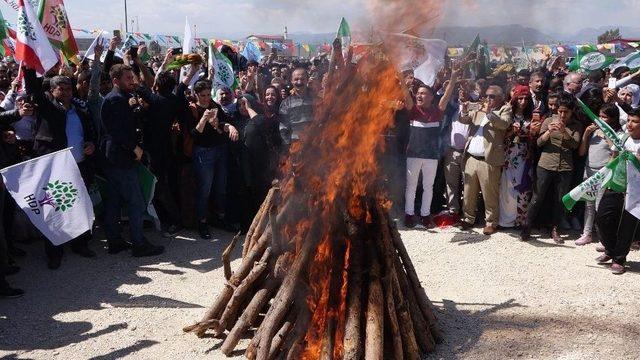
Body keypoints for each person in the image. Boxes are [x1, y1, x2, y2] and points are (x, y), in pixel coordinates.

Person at [24, 69, 98, 270]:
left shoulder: (80, 110)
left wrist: (91, 144)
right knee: (53, 210)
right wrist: (30, 66)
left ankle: (80, 244)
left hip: (79, 167)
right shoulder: (48, 108)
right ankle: (54, 252)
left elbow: (90, 133)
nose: (66, 92)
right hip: (55, 170)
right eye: (61, 89)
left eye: (68, 89)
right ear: (52, 90)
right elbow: (33, 89)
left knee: (80, 207)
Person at [100, 63, 164, 257]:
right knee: (135, 202)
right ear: (115, 80)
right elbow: (117, 131)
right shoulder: (116, 100)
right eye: (128, 79)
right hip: (120, 158)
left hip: (112, 158)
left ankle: (115, 241)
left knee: (114, 201)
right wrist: (134, 147)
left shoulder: (122, 98)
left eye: (132, 78)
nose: (132, 82)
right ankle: (138, 243)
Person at [521, 93, 583, 243]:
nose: (562, 114)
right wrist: (548, 131)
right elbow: (539, 143)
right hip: (546, 164)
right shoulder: (548, 120)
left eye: (566, 112)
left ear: (572, 111)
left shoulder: (576, 125)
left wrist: (564, 132)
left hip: (565, 167)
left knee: (559, 199)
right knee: (537, 197)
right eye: (560, 111)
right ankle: (526, 226)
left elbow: (575, 145)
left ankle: (555, 228)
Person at [403, 67, 459, 228]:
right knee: (411, 186)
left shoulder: (437, 111)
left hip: (431, 156)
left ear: (431, 97)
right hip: (413, 154)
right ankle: (409, 214)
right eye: (418, 93)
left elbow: (447, 96)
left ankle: (425, 215)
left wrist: (453, 77)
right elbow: (406, 94)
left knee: (429, 187)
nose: (419, 95)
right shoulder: (412, 110)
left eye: (423, 93)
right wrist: (400, 77)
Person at [186, 81, 239, 239]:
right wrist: (203, 119)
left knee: (221, 187)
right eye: (203, 95)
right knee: (205, 189)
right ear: (196, 95)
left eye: (209, 95)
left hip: (219, 150)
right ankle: (202, 222)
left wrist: (226, 126)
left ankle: (220, 217)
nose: (206, 98)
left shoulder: (213, 104)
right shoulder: (192, 109)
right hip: (203, 153)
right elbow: (193, 135)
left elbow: (221, 124)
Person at [459, 85, 513, 235]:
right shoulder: (479, 109)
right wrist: (464, 109)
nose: (488, 99)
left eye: (492, 96)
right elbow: (464, 119)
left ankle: (491, 222)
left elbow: (504, 124)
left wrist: (490, 114)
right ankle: (468, 218)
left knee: (490, 193)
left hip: (489, 159)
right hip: (471, 157)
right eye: (487, 95)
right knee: (469, 191)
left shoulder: (505, 109)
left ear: (501, 98)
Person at [595, 108, 640, 274]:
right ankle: (610, 250)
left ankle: (619, 259)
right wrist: (607, 179)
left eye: (634, 121)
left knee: (627, 226)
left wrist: (634, 157)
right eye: (628, 120)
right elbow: (613, 158)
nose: (629, 124)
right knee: (602, 218)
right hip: (615, 184)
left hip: (635, 190)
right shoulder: (622, 137)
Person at [575, 103, 620, 245]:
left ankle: (603, 238)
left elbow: (616, 152)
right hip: (589, 170)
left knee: (600, 207)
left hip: (603, 173)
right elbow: (581, 152)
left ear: (612, 118)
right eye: (599, 116)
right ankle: (587, 233)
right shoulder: (593, 131)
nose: (600, 119)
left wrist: (606, 133)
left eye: (604, 117)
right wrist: (586, 134)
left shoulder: (617, 133)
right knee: (589, 204)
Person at [499, 85, 536, 228]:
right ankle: (507, 220)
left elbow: (533, 136)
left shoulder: (531, 115)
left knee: (523, 186)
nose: (523, 101)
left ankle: (521, 219)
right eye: (520, 98)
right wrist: (512, 132)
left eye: (526, 98)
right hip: (509, 152)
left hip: (524, 153)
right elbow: (500, 136)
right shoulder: (508, 114)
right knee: (507, 186)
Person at [244, 86, 283, 214]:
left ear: (277, 96)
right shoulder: (260, 110)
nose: (269, 97)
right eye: (267, 94)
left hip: (274, 156)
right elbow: (249, 95)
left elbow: (264, 124)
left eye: (273, 94)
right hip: (259, 158)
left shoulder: (282, 111)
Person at [279, 68, 315, 146]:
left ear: (307, 80)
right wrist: (288, 146)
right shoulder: (286, 103)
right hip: (295, 145)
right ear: (291, 81)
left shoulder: (316, 100)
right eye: (296, 79)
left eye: (302, 79)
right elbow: (283, 127)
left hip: (314, 144)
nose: (299, 82)